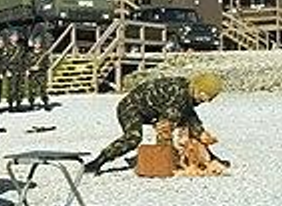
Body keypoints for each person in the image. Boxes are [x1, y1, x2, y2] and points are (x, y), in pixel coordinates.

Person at [84, 74, 223, 175]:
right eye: (206, 97)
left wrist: (201, 133)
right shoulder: (177, 94)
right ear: (198, 89)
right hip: (131, 108)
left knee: (188, 126)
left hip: (153, 111)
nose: (206, 101)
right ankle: (98, 162)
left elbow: (189, 113)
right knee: (133, 138)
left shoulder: (187, 91)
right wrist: (165, 160)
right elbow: (165, 128)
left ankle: (208, 158)